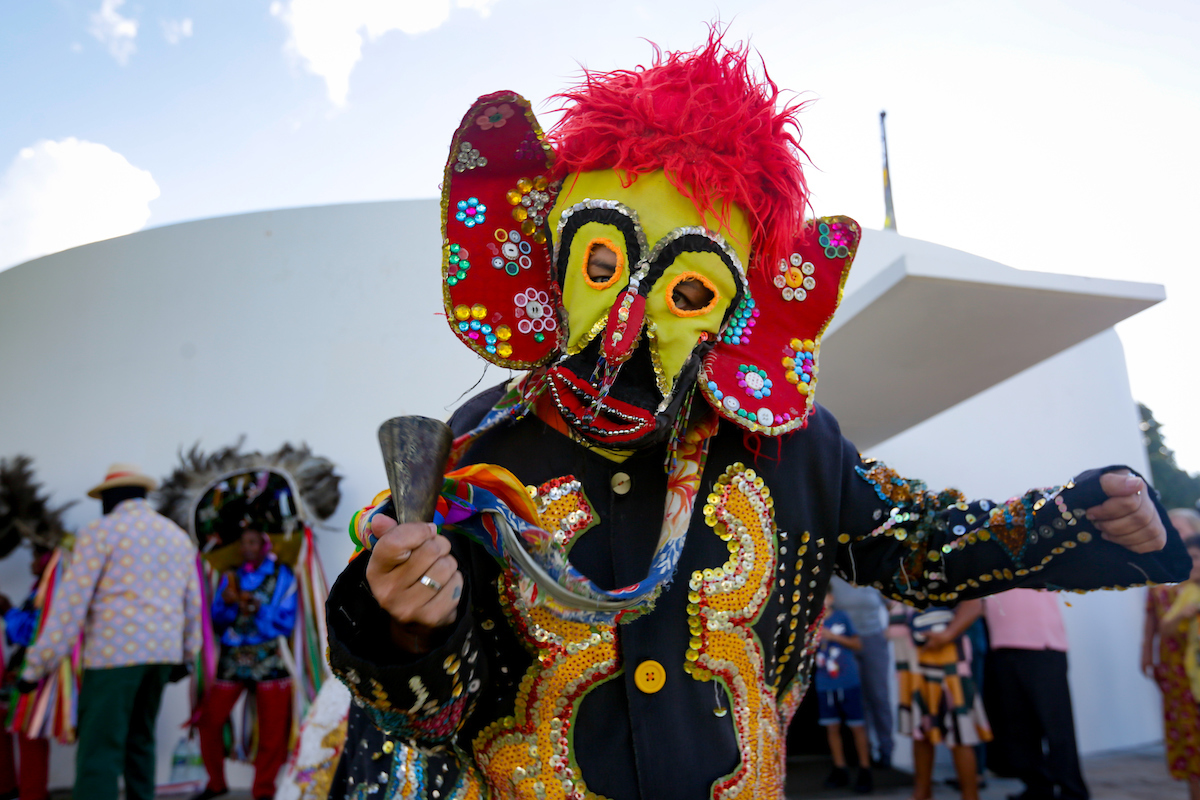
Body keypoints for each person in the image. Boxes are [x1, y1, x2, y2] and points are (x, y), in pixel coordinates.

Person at [322, 33, 1185, 800]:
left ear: (737, 314)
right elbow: (418, 726)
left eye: (686, 290)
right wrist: (403, 624)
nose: (624, 330)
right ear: (545, 259)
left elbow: (920, 541)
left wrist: (1080, 519)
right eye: (599, 264)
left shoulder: (792, 448)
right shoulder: (478, 454)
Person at [18, 463, 203, 800]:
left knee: (99, 748)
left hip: (114, 657)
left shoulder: (100, 532)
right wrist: (188, 655)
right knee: (141, 742)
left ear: (111, 497)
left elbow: (70, 604)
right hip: (162, 655)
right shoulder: (176, 536)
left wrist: (36, 666)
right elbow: (193, 603)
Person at [193, 497, 299, 800]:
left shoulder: (282, 576)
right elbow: (216, 621)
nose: (246, 548)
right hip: (234, 657)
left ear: (265, 544)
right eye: (243, 543)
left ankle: (263, 790)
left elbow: (285, 621)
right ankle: (216, 783)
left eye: (253, 542)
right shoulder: (232, 577)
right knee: (209, 720)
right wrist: (226, 606)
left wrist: (259, 610)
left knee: (272, 731)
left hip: (270, 658)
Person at [982, 588, 1089, 800]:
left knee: (1056, 727)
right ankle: (1037, 787)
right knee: (1018, 727)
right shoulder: (988, 561)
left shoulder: (1036, 556)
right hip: (1002, 644)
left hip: (1042, 646)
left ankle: (1073, 791)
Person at [896, 601, 990, 800]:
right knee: (920, 728)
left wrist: (948, 634)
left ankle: (970, 794)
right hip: (911, 657)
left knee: (961, 729)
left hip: (949, 657)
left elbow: (973, 602)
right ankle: (922, 791)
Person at [1144, 508, 1200, 800]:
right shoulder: (1160, 568)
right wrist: (1146, 654)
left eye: (1183, 529)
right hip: (1174, 661)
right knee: (1189, 731)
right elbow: (1153, 618)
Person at [0, 549, 54, 800]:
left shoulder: (50, 590)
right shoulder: (38, 588)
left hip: (34, 672)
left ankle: (33, 794)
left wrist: (9, 611)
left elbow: (32, 632)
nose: (30, 561)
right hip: (20, 669)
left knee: (29, 730)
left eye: (37, 555)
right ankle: (9, 788)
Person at [831, 575, 894, 769]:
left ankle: (886, 750)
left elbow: (892, 604)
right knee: (855, 699)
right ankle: (862, 752)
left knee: (878, 696)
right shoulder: (833, 578)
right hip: (844, 643)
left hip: (873, 640)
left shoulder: (872, 573)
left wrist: (893, 629)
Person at [817, 593, 873, 793]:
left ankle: (865, 769)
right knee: (831, 728)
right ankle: (839, 769)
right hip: (824, 682)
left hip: (848, 681)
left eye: (824, 595)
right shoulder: (811, 621)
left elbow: (858, 644)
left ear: (831, 597)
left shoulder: (841, 617)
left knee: (857, 726)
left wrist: (833, 636)